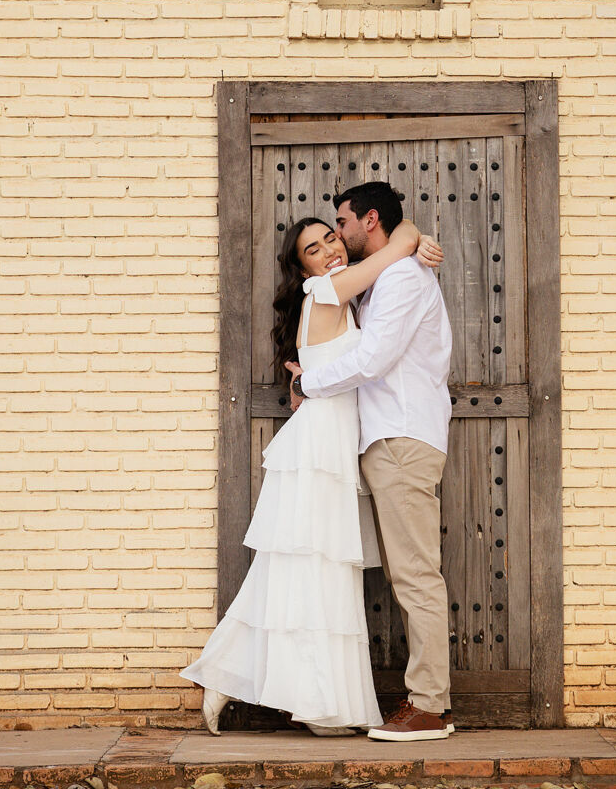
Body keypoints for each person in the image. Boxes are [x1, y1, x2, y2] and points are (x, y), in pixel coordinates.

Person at [179, 211, 442, 735]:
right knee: (318, 571)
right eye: (314, 250)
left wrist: (414, 239)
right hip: (321, 444)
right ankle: (311, 701)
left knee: (310, 571)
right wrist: (413, 237)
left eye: (330, 239)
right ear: (304, 270)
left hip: (332, 441)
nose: (329, 251)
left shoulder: (337, 294)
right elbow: (392, 250)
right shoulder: (326, 290)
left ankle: (250, 678)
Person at [286, 181, 455, 742]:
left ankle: (429, 706)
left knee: (415, 574)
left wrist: (310, 382)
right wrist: (410, 236)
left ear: (370, 220)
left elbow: (375, 357)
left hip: (402, 439)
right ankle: (425, 700)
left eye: (342, 222)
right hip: (387, 441)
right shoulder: (385, 273)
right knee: (408, 573)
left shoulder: (402, 278)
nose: (339, 234)